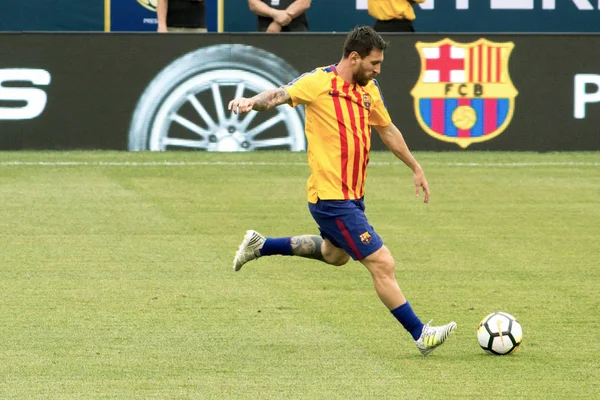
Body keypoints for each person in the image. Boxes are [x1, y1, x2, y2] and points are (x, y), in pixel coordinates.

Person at [228, 26, 456, 356]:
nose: (378, 70)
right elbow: (278, 95)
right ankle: (421, 333)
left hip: (352, 196)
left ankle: (261, 245)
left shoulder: (369, 89)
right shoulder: (317, 83)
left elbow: (387, 129)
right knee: (382, 262)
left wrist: (415, 166)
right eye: (374, 63)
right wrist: (251, 101)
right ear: (354, 57)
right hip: (330, 197)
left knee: (336, 256)